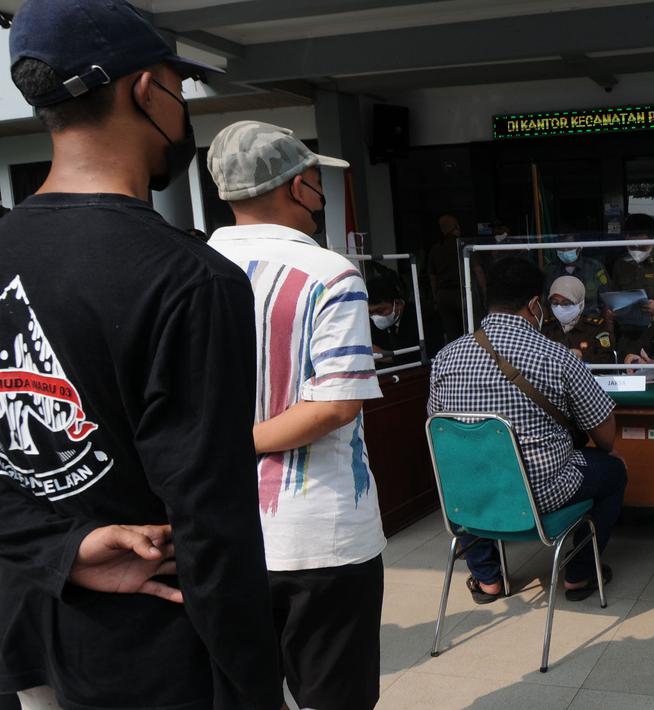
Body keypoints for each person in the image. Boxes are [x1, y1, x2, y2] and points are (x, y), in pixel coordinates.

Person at [0, 2, 283, 708]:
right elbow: (212, 521)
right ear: (145, 89)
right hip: (162, 654)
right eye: (179, 89)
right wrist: (253, 685)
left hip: (30, 629)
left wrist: (58, 552)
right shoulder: (189, 279)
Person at [207, 121, 386, 710]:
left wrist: (209, 450)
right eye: (314, 180)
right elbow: (335, 405)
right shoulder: (330, 274)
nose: (318, 194)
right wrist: (234, 444)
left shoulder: (187, 269)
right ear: (296, 186)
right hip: (320, 536)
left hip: (219, 531)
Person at [428, 258, 626, 603]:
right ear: (536, 305)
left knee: (468, 471)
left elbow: (439, 429)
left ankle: (488, 579)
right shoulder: (556, 357)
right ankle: (579, 575)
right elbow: (605, 436)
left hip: (465, 496)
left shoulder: (445, 357)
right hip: (538, 494)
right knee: (613, 470)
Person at [610, 213, 654, 354]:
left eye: (642, 247)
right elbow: (613, 296)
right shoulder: (620, 264)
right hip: (627, 336)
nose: (636, 251)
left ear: (652, 239)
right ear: (625, 239)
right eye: (632, 247)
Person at [542, 276, 617, 364]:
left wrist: (582, 358)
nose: (559, 308)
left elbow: (608, 361)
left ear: (580, 304)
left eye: (566, 303)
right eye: (555, 303)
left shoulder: (596, 328)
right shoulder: (546, 329)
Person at [367, 262, 419, 366]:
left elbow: (421, 355)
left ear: (398, 304)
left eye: (380, 311)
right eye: (371, 313)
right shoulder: (369, 325)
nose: (375, 317)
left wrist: (383, 356)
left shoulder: (421, 320)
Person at [543, 239, 611, 318]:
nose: (565, 251)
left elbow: (607, 300)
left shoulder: (594, 267)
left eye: (569, 248)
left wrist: (606, 328)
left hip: (589, 324)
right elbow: (544, 304)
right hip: (558, 325)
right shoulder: (550, 270)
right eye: (561, 248)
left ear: (579, 247)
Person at [427, 214, 466, 342]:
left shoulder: (436, 249)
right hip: (462, 293)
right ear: (456, 227)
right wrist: (483, 293)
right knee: (470, 328)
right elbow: (478, 270)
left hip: (443, 295)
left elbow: (433, 277)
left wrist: (435, 297)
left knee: (451, 333)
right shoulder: (462, 246)